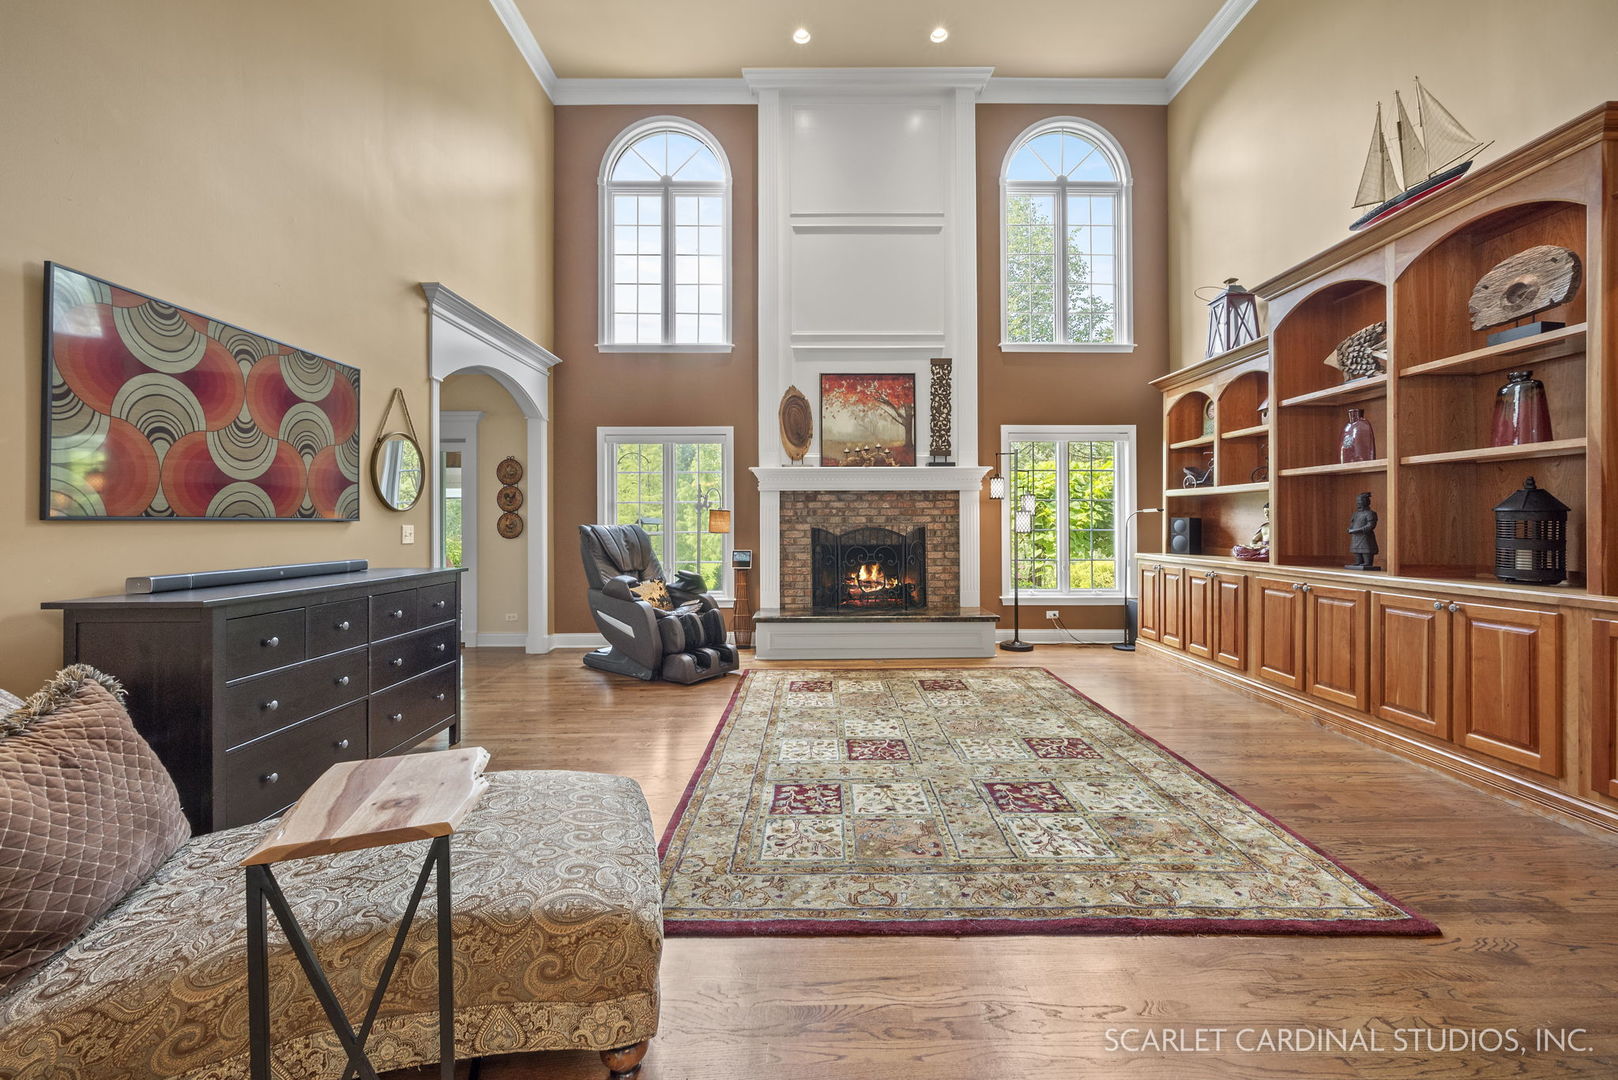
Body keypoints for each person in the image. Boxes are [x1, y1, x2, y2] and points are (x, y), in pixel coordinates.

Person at [1345, 491, 1381, 570]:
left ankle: (1367, 563)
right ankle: (1358, 562)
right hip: (1356, 536)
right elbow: (1352, 523)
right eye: (1357, 501)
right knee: (1356, 550)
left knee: (1366, 550)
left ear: (1366, 502)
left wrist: (1356, 530)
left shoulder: (1370, 513)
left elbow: (1371, 526)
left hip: (1365, 536)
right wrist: (1350, 529)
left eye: (1360, 501)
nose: (1358, 503)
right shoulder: (1356, 514)